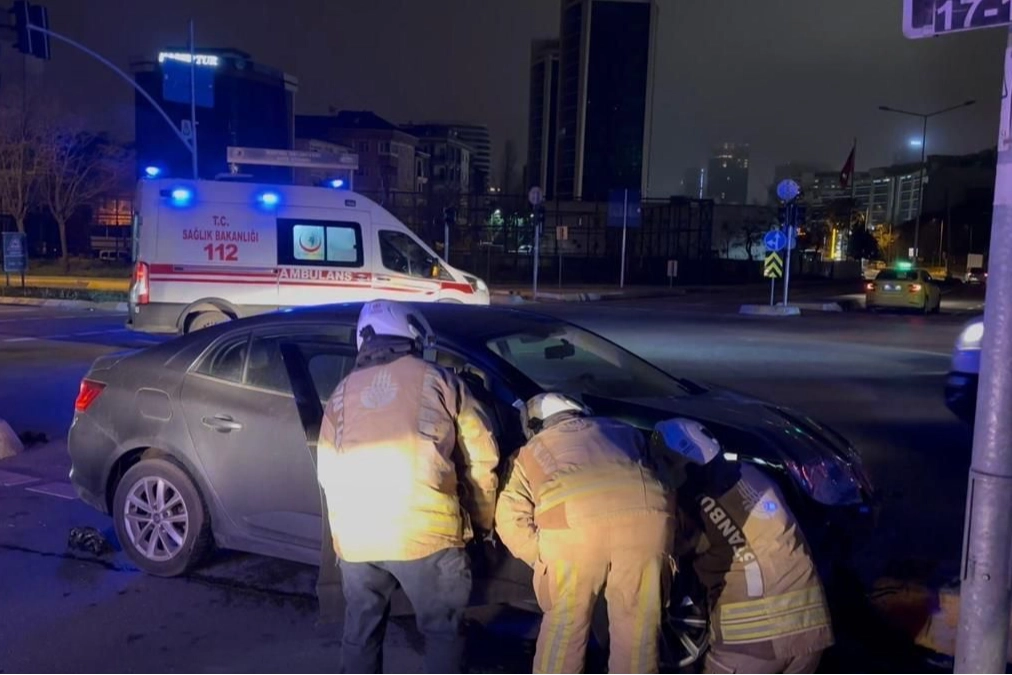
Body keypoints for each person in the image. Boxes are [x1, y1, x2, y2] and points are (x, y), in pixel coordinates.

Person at [316, 299, 500, 675]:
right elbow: (482, 457)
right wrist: (482, 524)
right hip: (426, 534)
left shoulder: (341, 393)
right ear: (411, 335)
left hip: (358, 541)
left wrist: (341, 542)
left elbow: (328, 472)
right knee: (443, 633)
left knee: (361, 634)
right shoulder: (441, 381)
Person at [495, 392, 676, 675]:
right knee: (638, 628)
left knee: (565, 626)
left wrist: (542, 556)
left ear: (536, 425)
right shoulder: (625, 431)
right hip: (646, 530)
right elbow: (664, 478)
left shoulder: (528, 454)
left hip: (575, 539)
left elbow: (509, 519)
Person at [649, 418, 834, 675]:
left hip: (752, 641)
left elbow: (666, 553)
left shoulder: (694, 506)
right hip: (812, 628)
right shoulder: (753, 474)